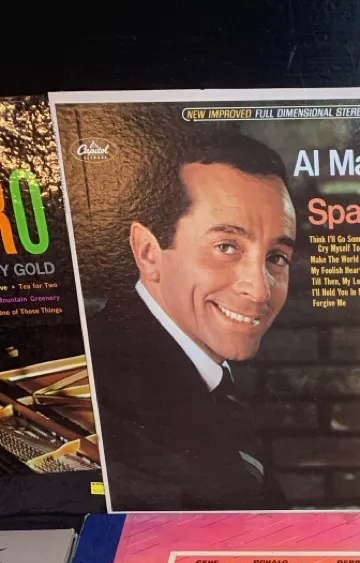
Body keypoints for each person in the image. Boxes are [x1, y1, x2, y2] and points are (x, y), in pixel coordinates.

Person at [87, 131, 296, 510]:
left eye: (276, 257)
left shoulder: (204, 373)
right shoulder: (112, 393)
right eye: (226, 247)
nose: (260, 291)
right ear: (148, 252)